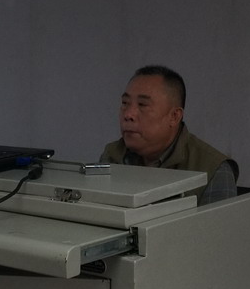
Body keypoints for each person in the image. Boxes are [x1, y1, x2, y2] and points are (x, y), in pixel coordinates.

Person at [100, 65, 239, 205]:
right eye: (125, 103)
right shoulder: (112, 156)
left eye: (142, 105)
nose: (128, 114)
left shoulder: (213, 169)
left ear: (174, 116)